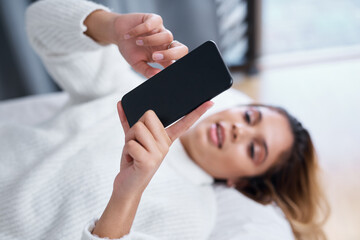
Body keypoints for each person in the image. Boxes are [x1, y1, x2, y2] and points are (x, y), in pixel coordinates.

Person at [0, 0, 329, 239]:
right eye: (249, 116)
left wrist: (129, 190)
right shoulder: (131, 93)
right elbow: (39, 23)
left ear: (241, 182)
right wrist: (112, 27)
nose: (238, 130)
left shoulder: (193, 218)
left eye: (254, 150)